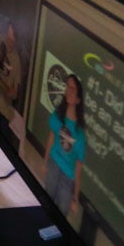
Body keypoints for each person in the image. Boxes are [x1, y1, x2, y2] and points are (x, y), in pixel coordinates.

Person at [43, 74, 87, 214]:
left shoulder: (80, 133)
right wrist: (45, 162)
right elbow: (51, 137)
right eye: (68, 86)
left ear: (78, 99)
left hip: (68, 177)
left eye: (73, 88)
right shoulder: (58, 115)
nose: (69, 90)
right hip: (54, 165)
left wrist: (75, 197)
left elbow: (78, 166)